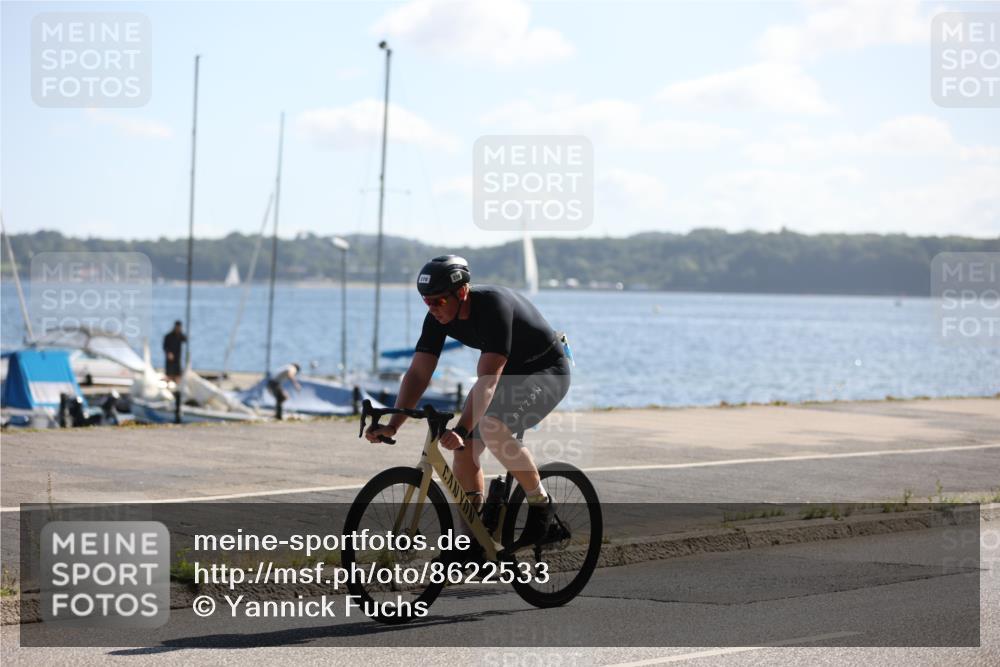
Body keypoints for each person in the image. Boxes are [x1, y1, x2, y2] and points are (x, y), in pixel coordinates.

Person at [365, 255, 571, 550]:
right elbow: (419, 372)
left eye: (438, 301)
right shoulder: (438, 317)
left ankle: (542, 506)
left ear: (462, 292)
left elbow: (487, 381)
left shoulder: (493, 307)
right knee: (464, 454)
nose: (433, 309)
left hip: (545, 371)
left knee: (491, 427)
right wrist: (394, 424)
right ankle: (475, 541)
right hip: (507, 374)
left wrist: (461, 427)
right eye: (426, 302)